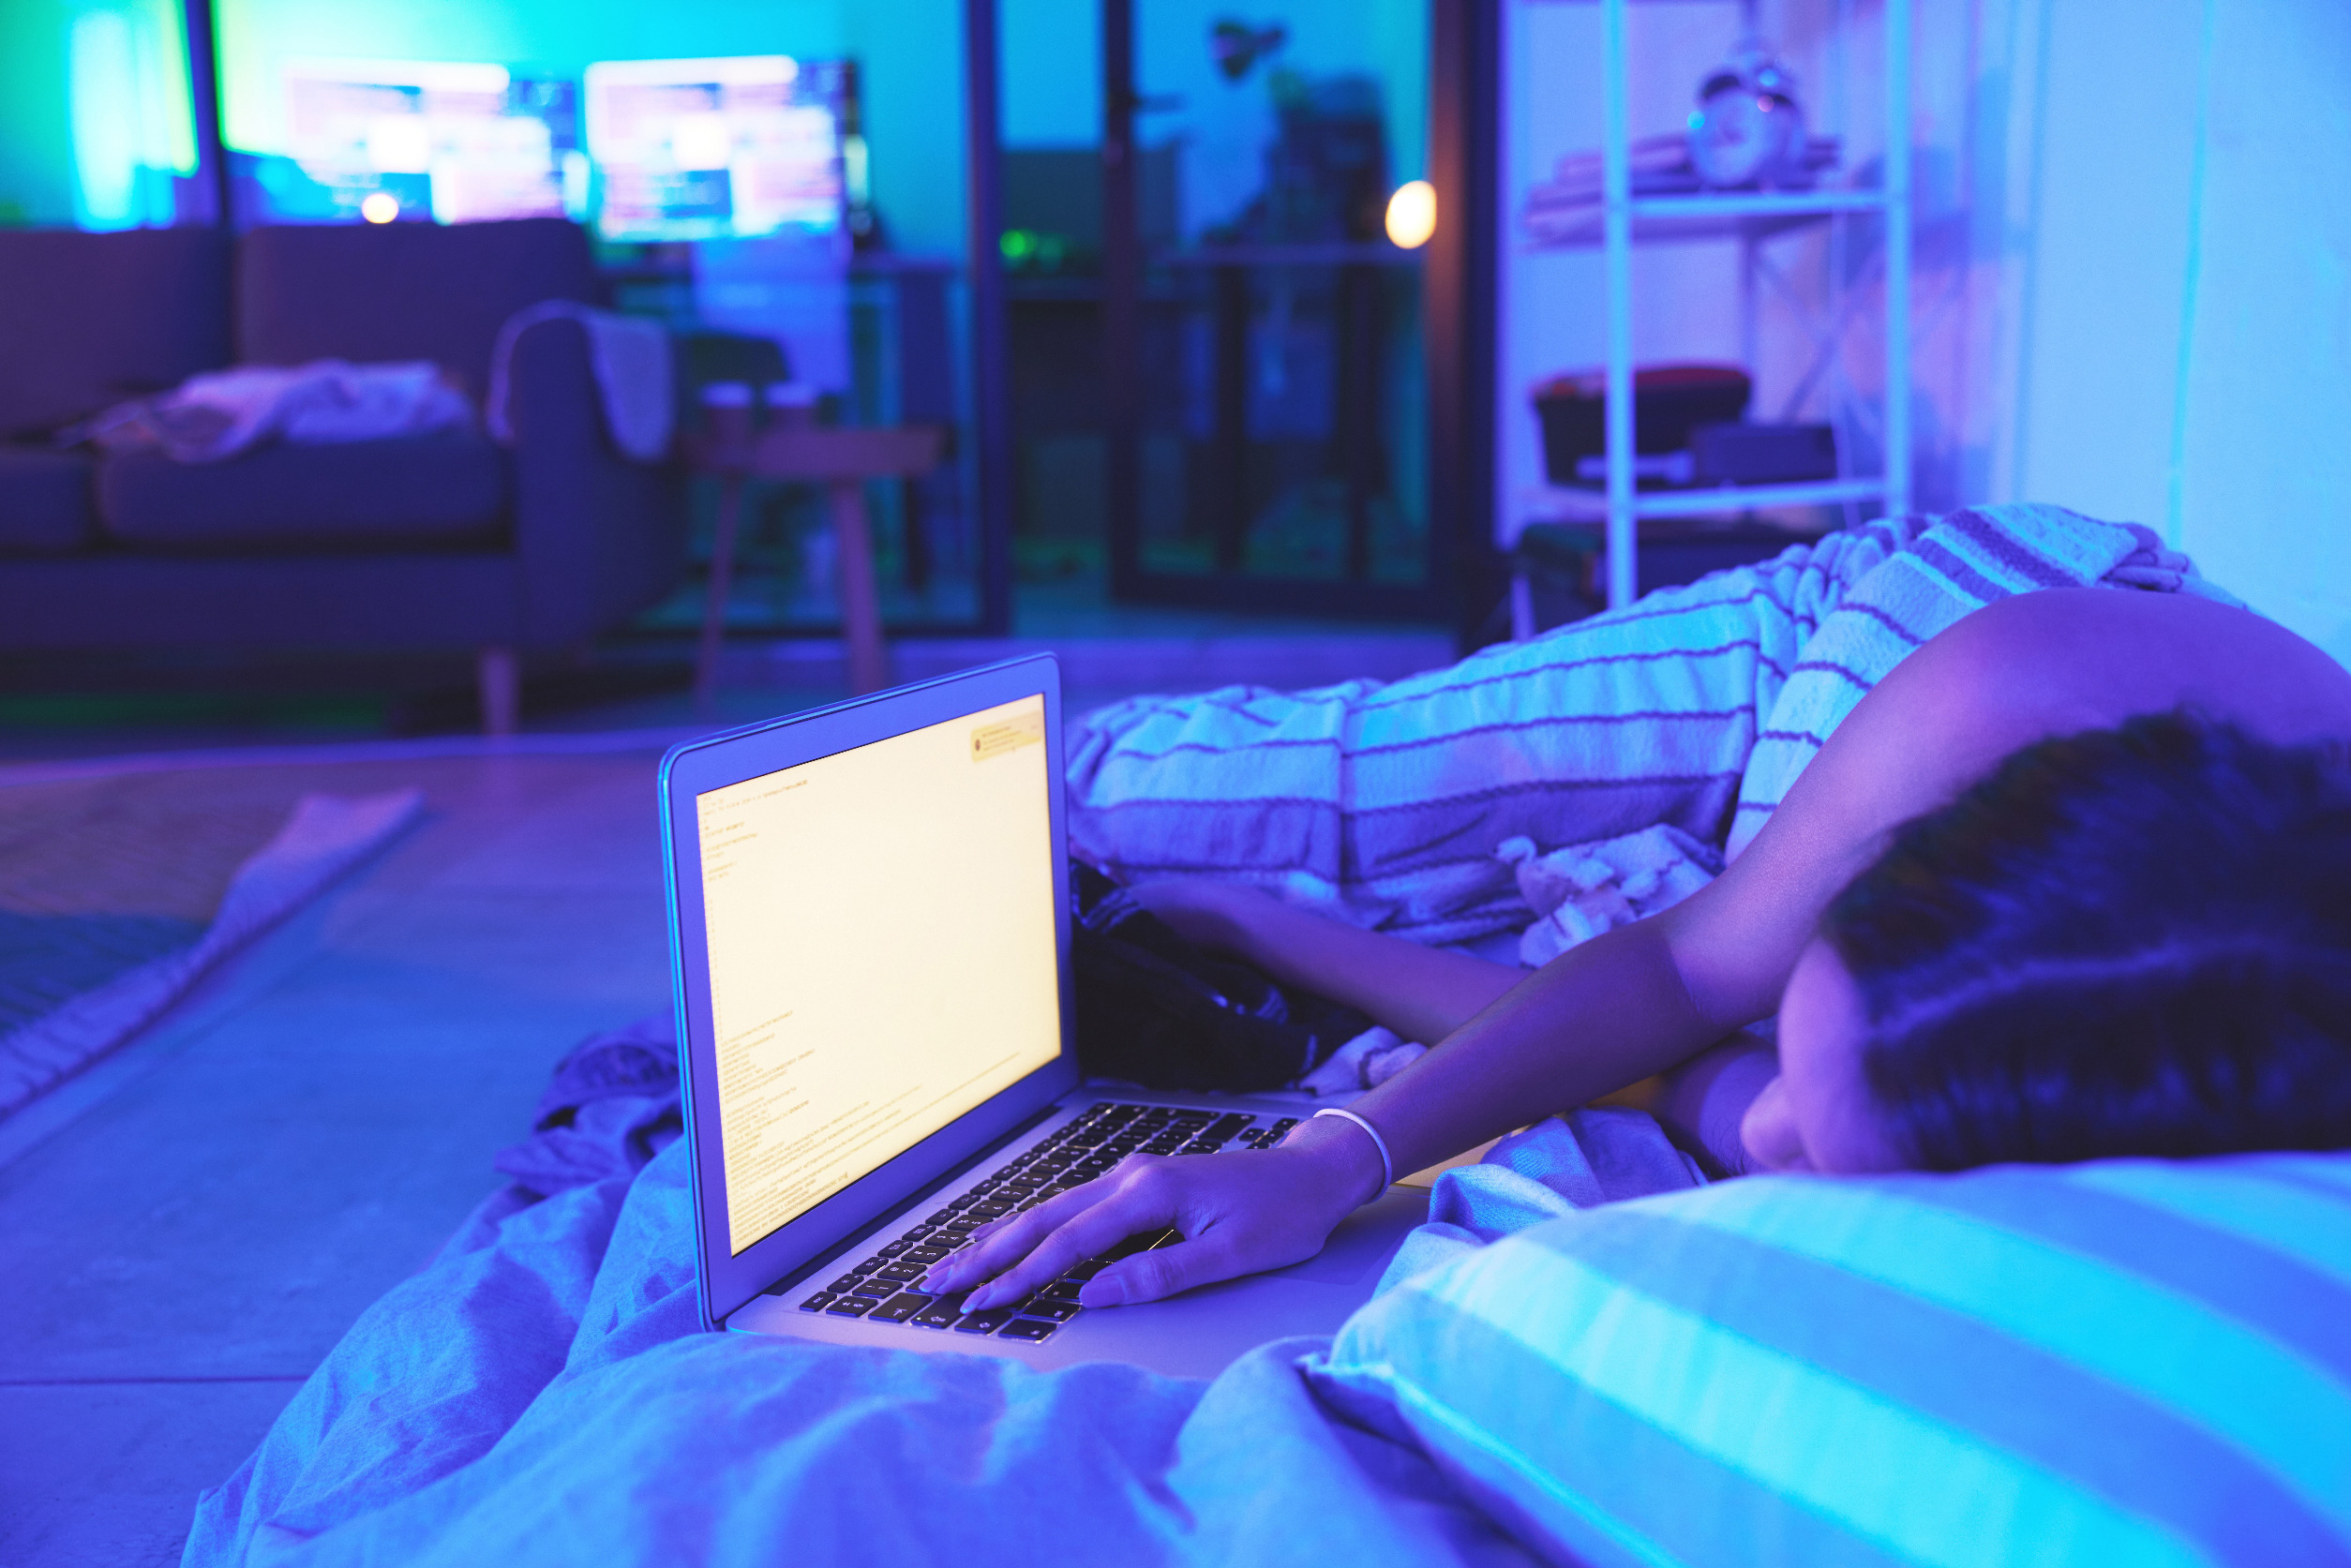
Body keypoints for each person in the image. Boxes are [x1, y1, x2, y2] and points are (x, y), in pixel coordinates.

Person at [923, 587, 2351, 1310]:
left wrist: (1288, 962)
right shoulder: (1998, 702)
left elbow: (1685, 1057)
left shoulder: (2241, 1092)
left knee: (1200, 896)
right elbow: (1676, 979)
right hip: (1865, 646)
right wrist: (1325, 1151)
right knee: (1174, 796)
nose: (1775, 1134)